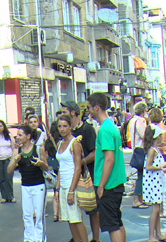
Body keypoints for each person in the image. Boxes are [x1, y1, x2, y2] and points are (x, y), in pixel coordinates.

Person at [87, 92, 127, 242]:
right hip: (116, 182)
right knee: (116, 221)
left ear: (97, 107)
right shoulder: (111, 126)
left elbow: (109, 159)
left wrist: (101, 185)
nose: (89, 111)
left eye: (90, 107)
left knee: (112, 225)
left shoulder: (104, 130)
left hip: (109, 184)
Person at [61, 100, 100, 242]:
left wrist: (81, 162)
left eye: (64, 112)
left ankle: (95, 239)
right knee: (74, 212)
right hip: (71, 177)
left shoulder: (87, 129)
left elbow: (95, 153)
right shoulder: (67, 131)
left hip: (87, 175)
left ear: (73, 112)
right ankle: (78, 237)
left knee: (92, 209)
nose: (62, 114)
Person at [7, 125, 49, 242]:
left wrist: (41, 163)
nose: (18, 137)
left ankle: (40, 239)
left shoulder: (37, 149)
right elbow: (9, 170)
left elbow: (47, 168)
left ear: (28, 136)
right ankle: (29, 239)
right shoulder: (17, 151)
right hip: (25, 185)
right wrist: (15, 160)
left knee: (39, 214)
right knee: (27, 215)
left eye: (20, 135)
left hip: (38, 185)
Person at [54, 115, 89, 242]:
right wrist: (57, 188)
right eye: (60, 126)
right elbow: (60, 167)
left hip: (72, 185)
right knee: (70, 219)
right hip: (63, 185)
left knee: (76, 218)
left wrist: (72, 190)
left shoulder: (75, 143)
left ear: (70, 127)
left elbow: (78, 168)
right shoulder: (59, 143)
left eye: (65, 126)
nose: (62, 129)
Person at [142, 125, 166, 242]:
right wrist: (161, 167)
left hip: (156, 182)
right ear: (157, 137)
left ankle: (158, 233)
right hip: (154, 182)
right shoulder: (153, 150)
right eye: (161, 135)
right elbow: (148, 166)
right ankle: (152, 235)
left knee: (157, 208)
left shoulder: (155, 149)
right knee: (156, 209)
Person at [128, 102, 149, 209]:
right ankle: (137, 199)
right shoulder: (140, 121)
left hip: (135, 148)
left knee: (141, 174)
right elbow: (144, 134)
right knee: (142, 175)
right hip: (141, 148)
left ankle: (140, 198)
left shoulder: (132, 120)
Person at [0, 119, 16, 203]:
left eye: (1, 126)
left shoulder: (9, 135)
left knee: (8, 177)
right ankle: (4, 196)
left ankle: (11, 196)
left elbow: (14, 147)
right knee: (1, 178)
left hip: (8, 158)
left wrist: (14, 159)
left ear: (4, 126)